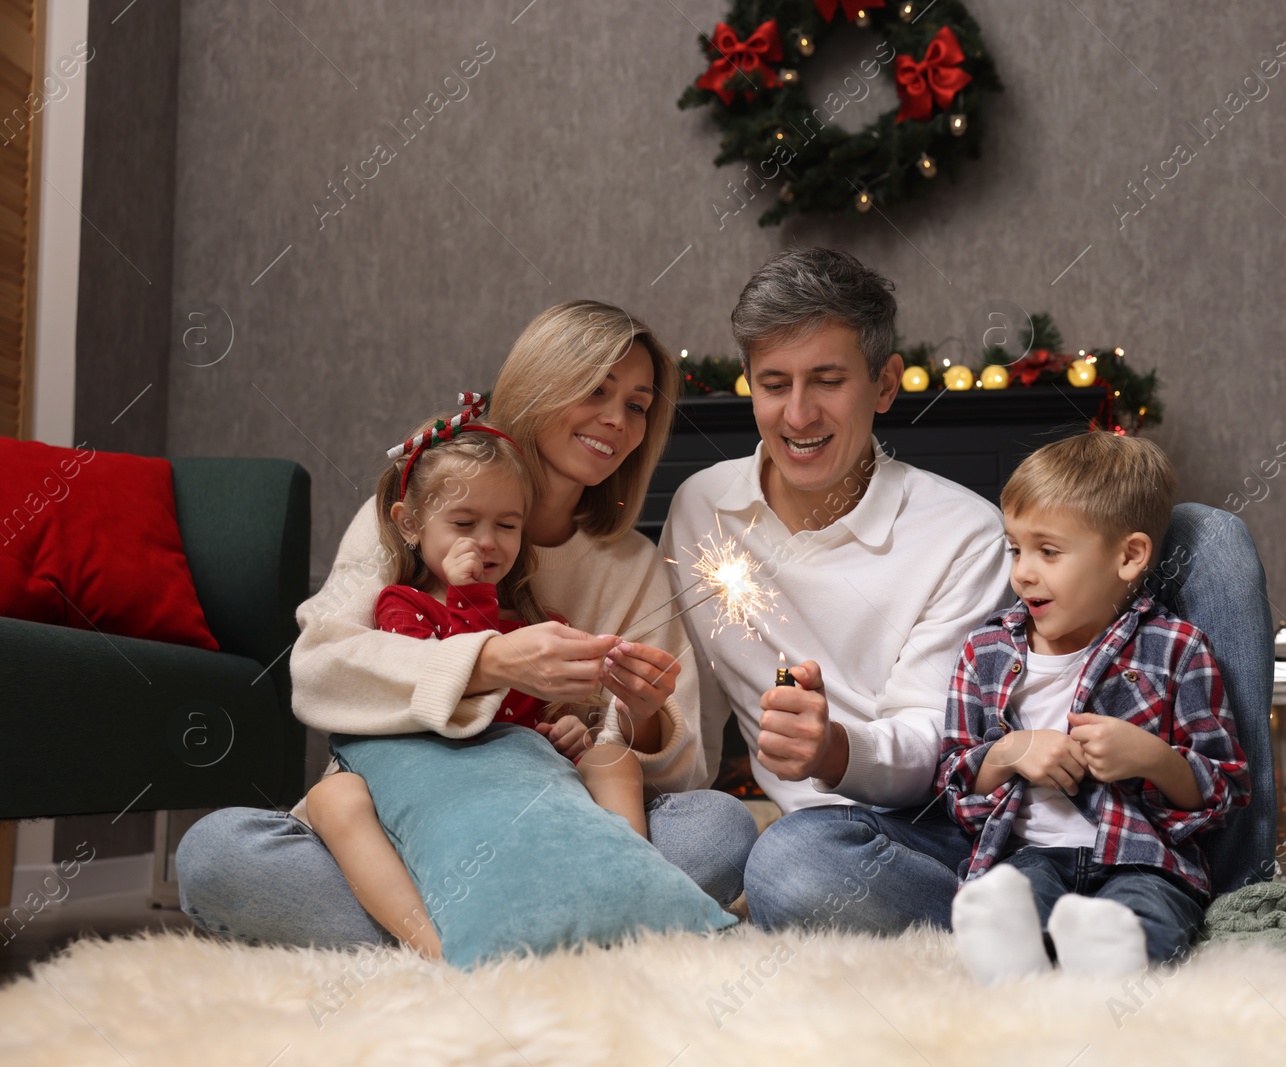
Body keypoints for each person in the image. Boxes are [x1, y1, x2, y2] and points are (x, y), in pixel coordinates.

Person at [177, 301, 758, 949]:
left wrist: (639, 716)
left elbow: (684, 771)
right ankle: (545, 920)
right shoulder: (421, 506)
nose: (617, 420)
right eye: (595, 389)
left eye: (638, 403)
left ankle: (471, 924)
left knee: (720, 828)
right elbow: (318, 670)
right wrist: (490, 663)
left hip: (554, 820)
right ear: (540, 384)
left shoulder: (634, 567)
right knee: (215, 853)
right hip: (411, 815)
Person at [662, 248, 1013, 934]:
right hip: (825, 834)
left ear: (884, 384)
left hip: (943, 824)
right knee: (720, 844)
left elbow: (931, 746)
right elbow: (690, 733)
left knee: (788, 868)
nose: (797, 414)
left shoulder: (965, 531)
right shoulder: (701, 508)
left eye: (827, 380)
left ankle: (1018, 911)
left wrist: (834, 751)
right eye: (774, 383)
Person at [304, 403, 653, 959]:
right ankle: (436, 945)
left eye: (508, 526)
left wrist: (563, 729)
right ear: (409, 524)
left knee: (617, 763)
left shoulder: (535, 624)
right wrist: (471, 601)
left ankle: (635, 895)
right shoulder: (402, 605)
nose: (487, 542)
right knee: (331, 798)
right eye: (464, 525)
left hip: (516, 799)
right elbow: (438, 695)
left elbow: (524, 716)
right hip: (427, 784)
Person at [940, 432, 1251, 983]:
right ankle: (1015, 971)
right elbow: (955, 785)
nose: (1022, 572)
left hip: (1144, 859)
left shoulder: (1177, 649)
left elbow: (1222, 789)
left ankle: (1108, 965)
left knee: (1145, 912)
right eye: (1016, 549)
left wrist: (1154, 759)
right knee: (1014, 899)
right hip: (1027, 854)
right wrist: (1010, 751)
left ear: (1129, 556)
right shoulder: (985, 652)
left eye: (1048, 552)